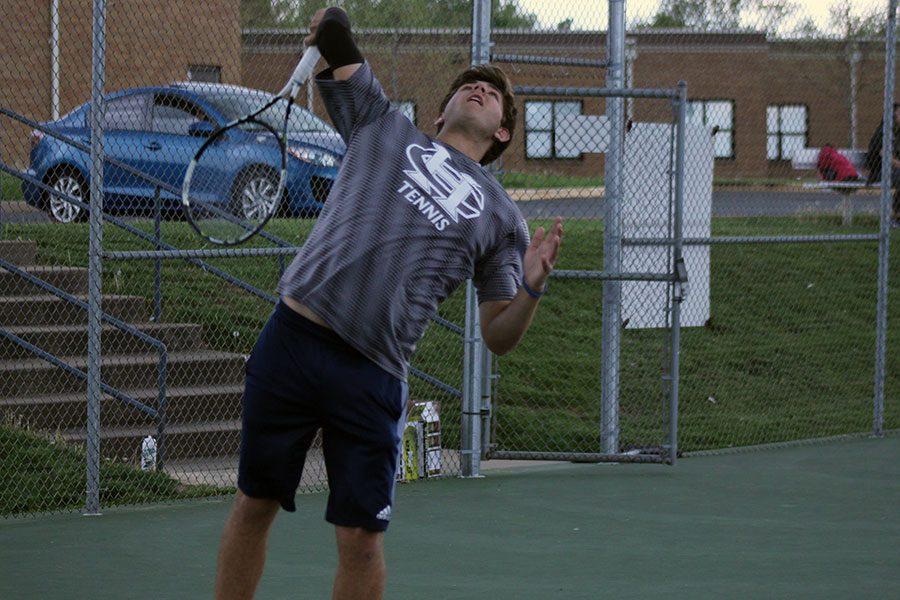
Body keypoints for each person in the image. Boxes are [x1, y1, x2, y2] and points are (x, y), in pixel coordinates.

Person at [214, 7, 563, 600]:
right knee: (254, 503)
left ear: (502, 132)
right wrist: (329, 22)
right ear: (440, 110)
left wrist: (530, 287)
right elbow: (337, 34)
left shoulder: (504, 219)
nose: (478, 89)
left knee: (362, 541)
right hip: (294, 341)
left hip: (371, 376)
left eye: (493, 94)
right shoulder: (381, 124)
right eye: (467, 85)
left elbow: (499, 335)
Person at [864, 102, 900, 227]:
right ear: (892, 115)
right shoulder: (884, 132)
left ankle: (896, 217)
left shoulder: (896, 132)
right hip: (878, 171)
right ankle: (895, 217)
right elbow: (884, 154)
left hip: (893, 170)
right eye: (899, 113)